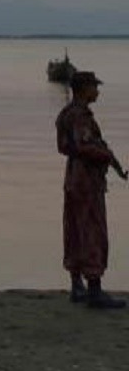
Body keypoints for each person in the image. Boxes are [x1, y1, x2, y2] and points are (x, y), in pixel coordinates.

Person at [55, 71, 126, 309]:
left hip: (73, 177)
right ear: (84, 88)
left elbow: (64, 146)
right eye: (94, 86)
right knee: (92, 229)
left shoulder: (66, 113)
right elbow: (84, 146)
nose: (97, 91)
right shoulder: (80, 116)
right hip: (86, 180)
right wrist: (105, 154)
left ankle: (77, 284)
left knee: (75, 228)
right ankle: (94, 288)